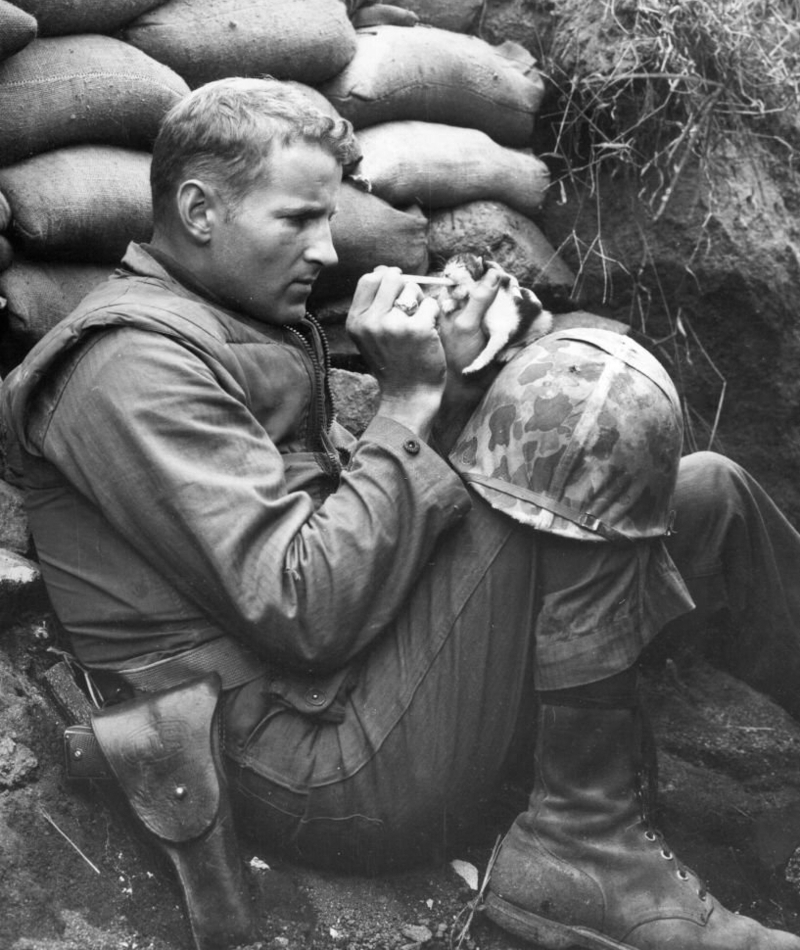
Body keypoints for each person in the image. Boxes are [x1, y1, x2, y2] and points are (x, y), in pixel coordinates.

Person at [2, 77, 800, 950]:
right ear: (197, 208)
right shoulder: (127, 369)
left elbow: (365, 537)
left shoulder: (226, 327)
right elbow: (304, 612)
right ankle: (584, 848)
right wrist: (411, 402)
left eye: (328, 218)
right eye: (296, 220)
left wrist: (452, 395)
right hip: (310, 762)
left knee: (709, 495)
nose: (324, 248)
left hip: (358, 687)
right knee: (580, 402)